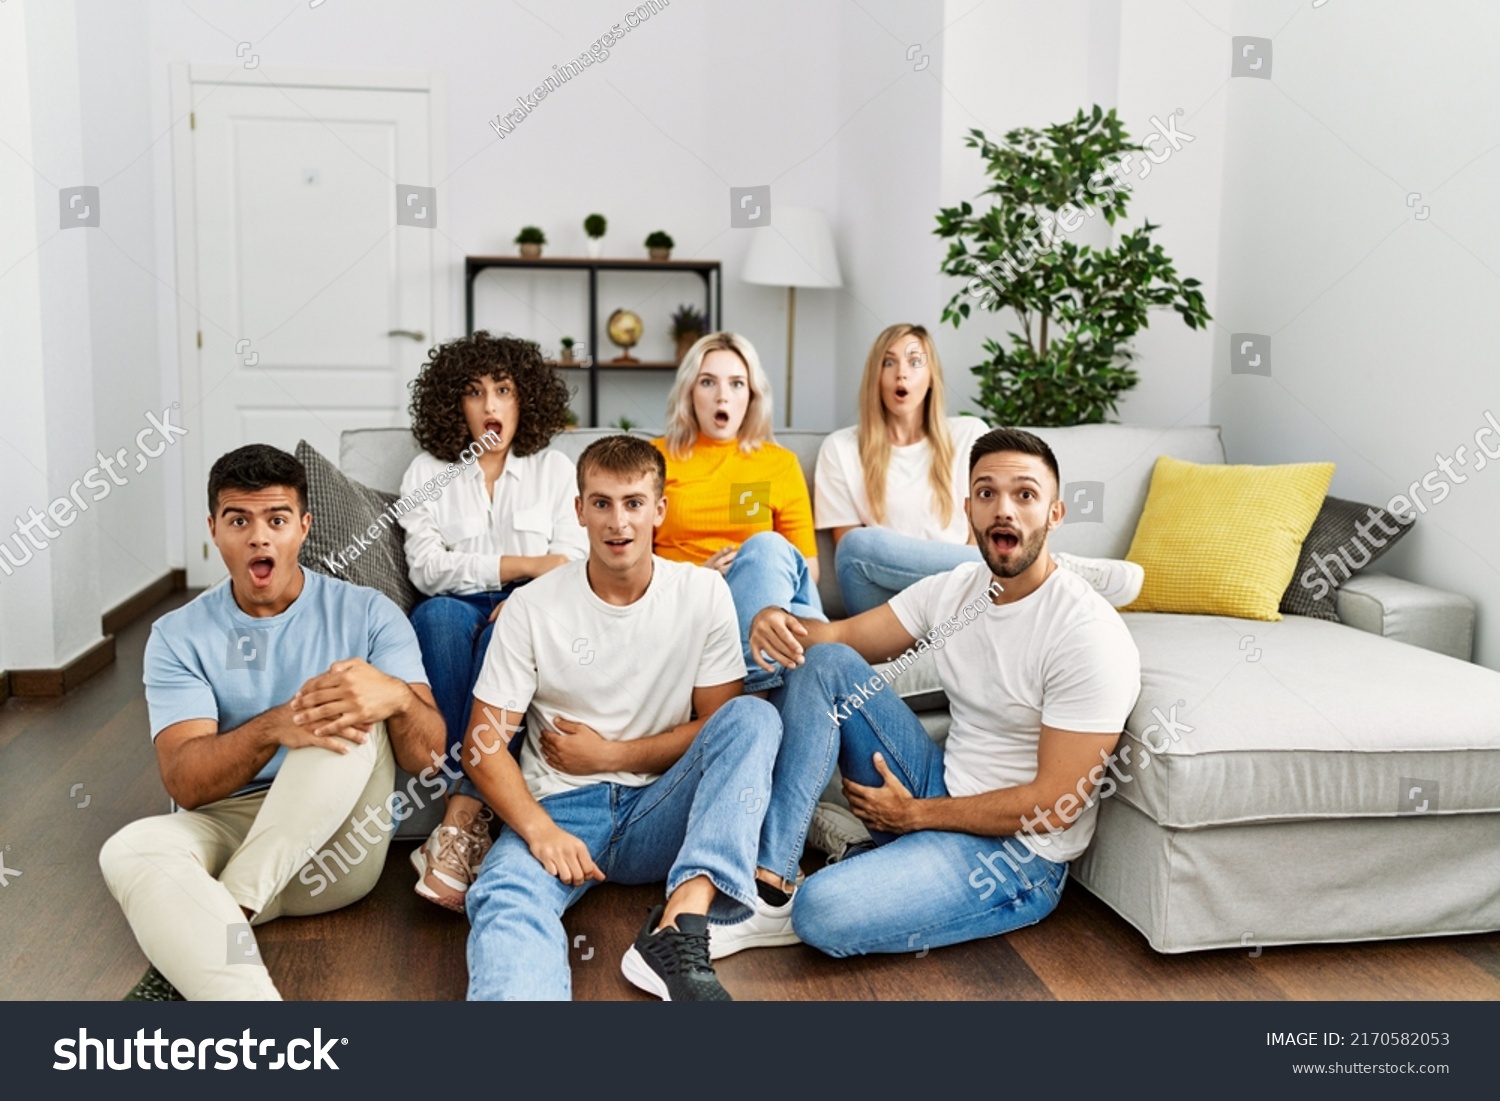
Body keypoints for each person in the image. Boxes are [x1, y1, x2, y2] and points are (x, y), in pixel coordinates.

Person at [712, 427, 1142, 961]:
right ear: (969, 509)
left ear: (1055, 514)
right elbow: (841, 639)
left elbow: (1054, 806)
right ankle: (769, 885)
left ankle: (863, 862)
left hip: (1016, 856)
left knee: (822, 910)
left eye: (1025, 495)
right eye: (987, 494)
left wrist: (916, 816)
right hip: (939, 785)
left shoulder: (1086, 634)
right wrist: (770, 618)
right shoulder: (958, 588)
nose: (1003, 509)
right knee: (824, 664)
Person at [99, 445, 445, 1000]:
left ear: (303, 528)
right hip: (227, 828)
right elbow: (187, 784)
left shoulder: (369, 612)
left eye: (277, 520)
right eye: (239, 520)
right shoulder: (177, 634)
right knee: (127, 849)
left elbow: (427, 759)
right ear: (214, 529)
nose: (260, 537)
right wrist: (274, 727)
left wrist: (399, 699)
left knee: (344, 706)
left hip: (331, 855)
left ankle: (223, 915)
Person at [462, 435, 783, 1001]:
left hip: (663, 806)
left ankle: (680, 925)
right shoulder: (533, 607)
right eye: (602, 503)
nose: (618, 522)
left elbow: (721, 726)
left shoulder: (703, 591)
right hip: (561, 810)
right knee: (504, 892)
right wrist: (539, 830)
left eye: (634, 503)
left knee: (753, 717)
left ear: (659, 510)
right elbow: (483, 748)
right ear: (579, 509)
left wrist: (615, 755)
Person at [399, 332, 587, 911]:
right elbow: (428, 569)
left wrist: (526, 594)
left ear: (523, 399)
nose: (490, 407)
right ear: (455, 404)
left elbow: (575, 560)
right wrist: (524, 567)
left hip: (532, 611)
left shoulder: (555, 469)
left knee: (508, 628)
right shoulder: (427, 471)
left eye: (503, 391)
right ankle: (470, 819)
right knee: (436, 616)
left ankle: (458, 822)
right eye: (475, 393)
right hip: (455, 607)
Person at [818, 324, 1143, 614]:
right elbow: (853, 560)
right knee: (857, 545)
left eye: (915, 362)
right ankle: (1046, 569)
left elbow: (984, 532)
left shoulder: (970, 435)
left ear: (932, 378)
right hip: (882, 600)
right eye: (889, 363)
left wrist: (964, 583)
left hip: (962, 594)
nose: (901, 374)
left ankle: (1045, 572)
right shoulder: (840, 448)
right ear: (875, 376)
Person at [651, 331, 823, 693]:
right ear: (689, 392)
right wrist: (698, 578)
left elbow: (808, 567)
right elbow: (630, 559)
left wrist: (751, 577)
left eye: (736, 383)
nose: (722, 395)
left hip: (774, 602)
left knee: (766, 546)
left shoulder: (779, 464)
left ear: (752, 395)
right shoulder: (656, 459)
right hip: (690, 602)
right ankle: (768, 685)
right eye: (708, 382)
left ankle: (754, 681)